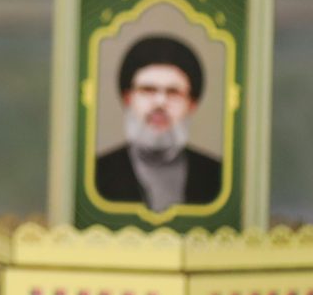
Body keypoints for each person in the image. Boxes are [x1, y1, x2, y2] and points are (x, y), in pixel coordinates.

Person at [91, 34, 224, 212]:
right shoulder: (93, 174)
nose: (160, 102)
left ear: (191, 104)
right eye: (148, 90)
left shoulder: (219, 177)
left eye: (173, 92)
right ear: (128, 98)